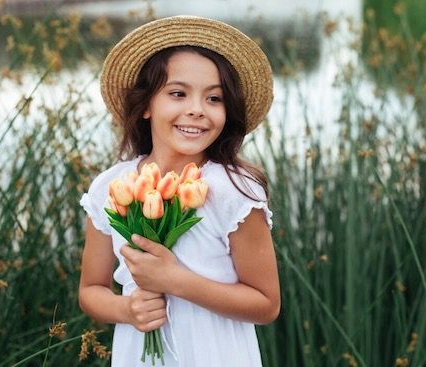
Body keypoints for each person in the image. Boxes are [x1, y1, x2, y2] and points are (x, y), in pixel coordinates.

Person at [78, 15, 280, 366]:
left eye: (214, 99)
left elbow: (266, 304)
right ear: (145, 105)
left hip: (216, 355)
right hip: (139, 355)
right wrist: (126, 309)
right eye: (177, 93)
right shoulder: (111, 187)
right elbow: (91, 290)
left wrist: (174, 280)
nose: (196, 110)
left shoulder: (233, 191)